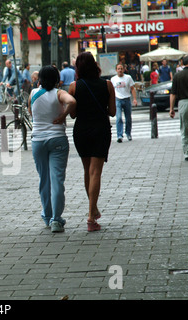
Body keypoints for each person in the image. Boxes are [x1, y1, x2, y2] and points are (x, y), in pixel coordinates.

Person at [68, 52, 116, 232]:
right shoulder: (108, 85)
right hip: (100, 130)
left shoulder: (74, 87)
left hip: (81, 131)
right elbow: (112, 112)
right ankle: (90, 217)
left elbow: (73, 114)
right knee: (96, 172)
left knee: (87, 171)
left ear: (78, 68)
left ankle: (93, 209)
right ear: (95, 65)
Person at [29, 65, 77, 233]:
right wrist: (62, 116)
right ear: (57, 79)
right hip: (57, 139)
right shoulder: (59, 93)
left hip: (38, 141)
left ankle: (47, 216)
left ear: (39, 79)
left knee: (44, 180)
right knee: (57, 180)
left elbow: (31, 114)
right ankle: (56, 220)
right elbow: (72, 101)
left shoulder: (33, 94)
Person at [169, 54, 188, 161]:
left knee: (184, 128)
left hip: (182, 103)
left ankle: (187, 152)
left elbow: (173, 94)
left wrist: (171, 108)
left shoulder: (177, 76)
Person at [111, 63, 137, 143]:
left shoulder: (128, 77)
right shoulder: (113, 79)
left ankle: (128, 133)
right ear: (116, 70)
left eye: (121, 68)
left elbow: (132, 88)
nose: (120, 70)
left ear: (124, 69)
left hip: (127, 99)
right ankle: (119, 135)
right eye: (118, 69)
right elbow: (111, 91)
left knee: (128, 118)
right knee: (118, 118)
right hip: (117, 99)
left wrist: (135, 99)